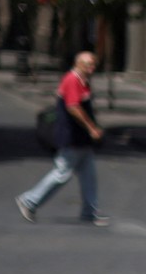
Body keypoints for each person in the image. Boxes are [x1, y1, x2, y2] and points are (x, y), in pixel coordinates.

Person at [15, 51, 108, 227]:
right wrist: (91, 128)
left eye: (94, 65)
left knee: (89, 176)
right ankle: (29, 201)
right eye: (89, 65)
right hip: (71, 136)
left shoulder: (82, 81)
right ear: (78, 63)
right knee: (61, 173)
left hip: (81, 138)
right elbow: (73, 107)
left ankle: (89, 211)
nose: (93, 68)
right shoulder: (72, 80)